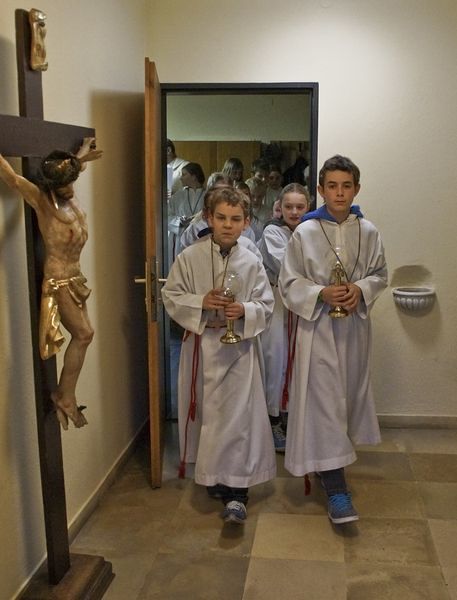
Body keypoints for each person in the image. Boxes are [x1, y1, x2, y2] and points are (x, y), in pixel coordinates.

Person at [278, 155, 387, 524]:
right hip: (318, 330)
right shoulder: (306, 232)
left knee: (345, 398)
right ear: (321, 190)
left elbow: (380, 273)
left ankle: (330, 466)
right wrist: (320, 293)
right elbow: (288, 281)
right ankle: (337, 487)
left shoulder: (368, 231)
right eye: (332, 186)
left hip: (353, 329)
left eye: (346, 186)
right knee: (324, 400)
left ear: (356, 189)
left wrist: (360, 289)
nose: (339, 193)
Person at [161, 186, 276, 524]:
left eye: (236, 219)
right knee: (210, 416)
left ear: (246, 222)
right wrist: (201, 301)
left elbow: (266, 304)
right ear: (208, 218)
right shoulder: (189, 257)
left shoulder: (252, 261)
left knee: (239, 418)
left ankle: (238, 491)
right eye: (221, 217)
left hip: (239, 348)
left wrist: (245, 309)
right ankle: (215, 476)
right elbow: (171, 295)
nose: (228, 225)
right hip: (203, 345)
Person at [0, 138, 103, 430]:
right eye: (64, 185)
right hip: (59, 280)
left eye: (71, 182)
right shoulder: (42, 201)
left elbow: (73, 168)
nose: (71, 188)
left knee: (86, 335)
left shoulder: (68, 190)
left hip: (76, 277)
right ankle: (65, 396)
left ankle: (66, 394)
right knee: (83, 334)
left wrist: (81, 155)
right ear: (52, 186)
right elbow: (12, 179)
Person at [258, 184, 310, 451]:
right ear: (280, 207)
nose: (294, 211)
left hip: (303, 303)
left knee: (296, 360)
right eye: (289, 206)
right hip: (278, 301)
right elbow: (287, 267)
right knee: (276, 359)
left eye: (300, 207)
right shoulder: (272, 232)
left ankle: (290, 414)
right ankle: (273, 419)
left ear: (308, 207)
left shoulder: (312, 231)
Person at [168, 162, 205, 260]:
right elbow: (167, 216)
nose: (181, 178)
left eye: (184, 174)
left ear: (194, 176)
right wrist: (179, 222)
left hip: (201, 238)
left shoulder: (207, 196)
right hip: (181, 239)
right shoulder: (177, 196)